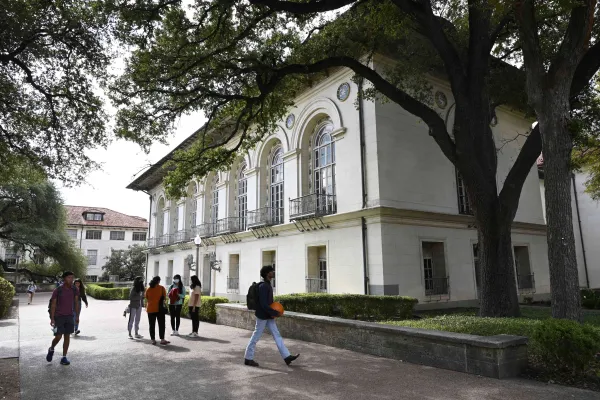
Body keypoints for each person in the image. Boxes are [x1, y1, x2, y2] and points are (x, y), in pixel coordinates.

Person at [244, 266, 299, 367]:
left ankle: (287, 357)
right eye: (270, 271)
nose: (273, 272)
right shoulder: (263, 286)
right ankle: (248, 358)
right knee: (256, 336)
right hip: (263, 316)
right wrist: (275, 312)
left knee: (277, 335)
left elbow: (269, 303)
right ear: (266, 274)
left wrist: (273, 312)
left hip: (268, 315)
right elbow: (264, 304)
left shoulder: (267, 285)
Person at [47, 271, 79, 366]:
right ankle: (52, 348)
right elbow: (53, 305)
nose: (71, 279)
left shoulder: (74, 289)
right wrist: (52, 318)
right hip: (59, 316)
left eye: (72, 277)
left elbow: (76, 303)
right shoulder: (58, 290)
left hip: (69, 316)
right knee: (58, 336)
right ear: (64, 278)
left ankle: (64, 357)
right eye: (69, 277)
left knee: (67, 336)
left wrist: (77, 316)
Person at [145, 276, 169, 346]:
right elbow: (164, 298)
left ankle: (153, 340)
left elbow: (147, 297)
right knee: (161, 324)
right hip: (160, 309)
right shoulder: (161, 288)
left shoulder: (148, 289)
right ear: (158, 281)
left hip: (150, 309)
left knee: (151, 325)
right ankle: (162, 339)